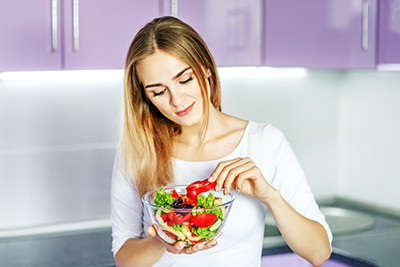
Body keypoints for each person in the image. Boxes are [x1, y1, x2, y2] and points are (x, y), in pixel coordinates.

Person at [110, 16, 332, 267]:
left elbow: (319, 252)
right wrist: (165, 237)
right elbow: (124, 260)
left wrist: (270, 196)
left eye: (185, 79)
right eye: (158, 92)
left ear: (205, 68)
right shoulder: (139, 151)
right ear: (145, 96)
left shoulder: (264, 141)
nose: (177, 100)